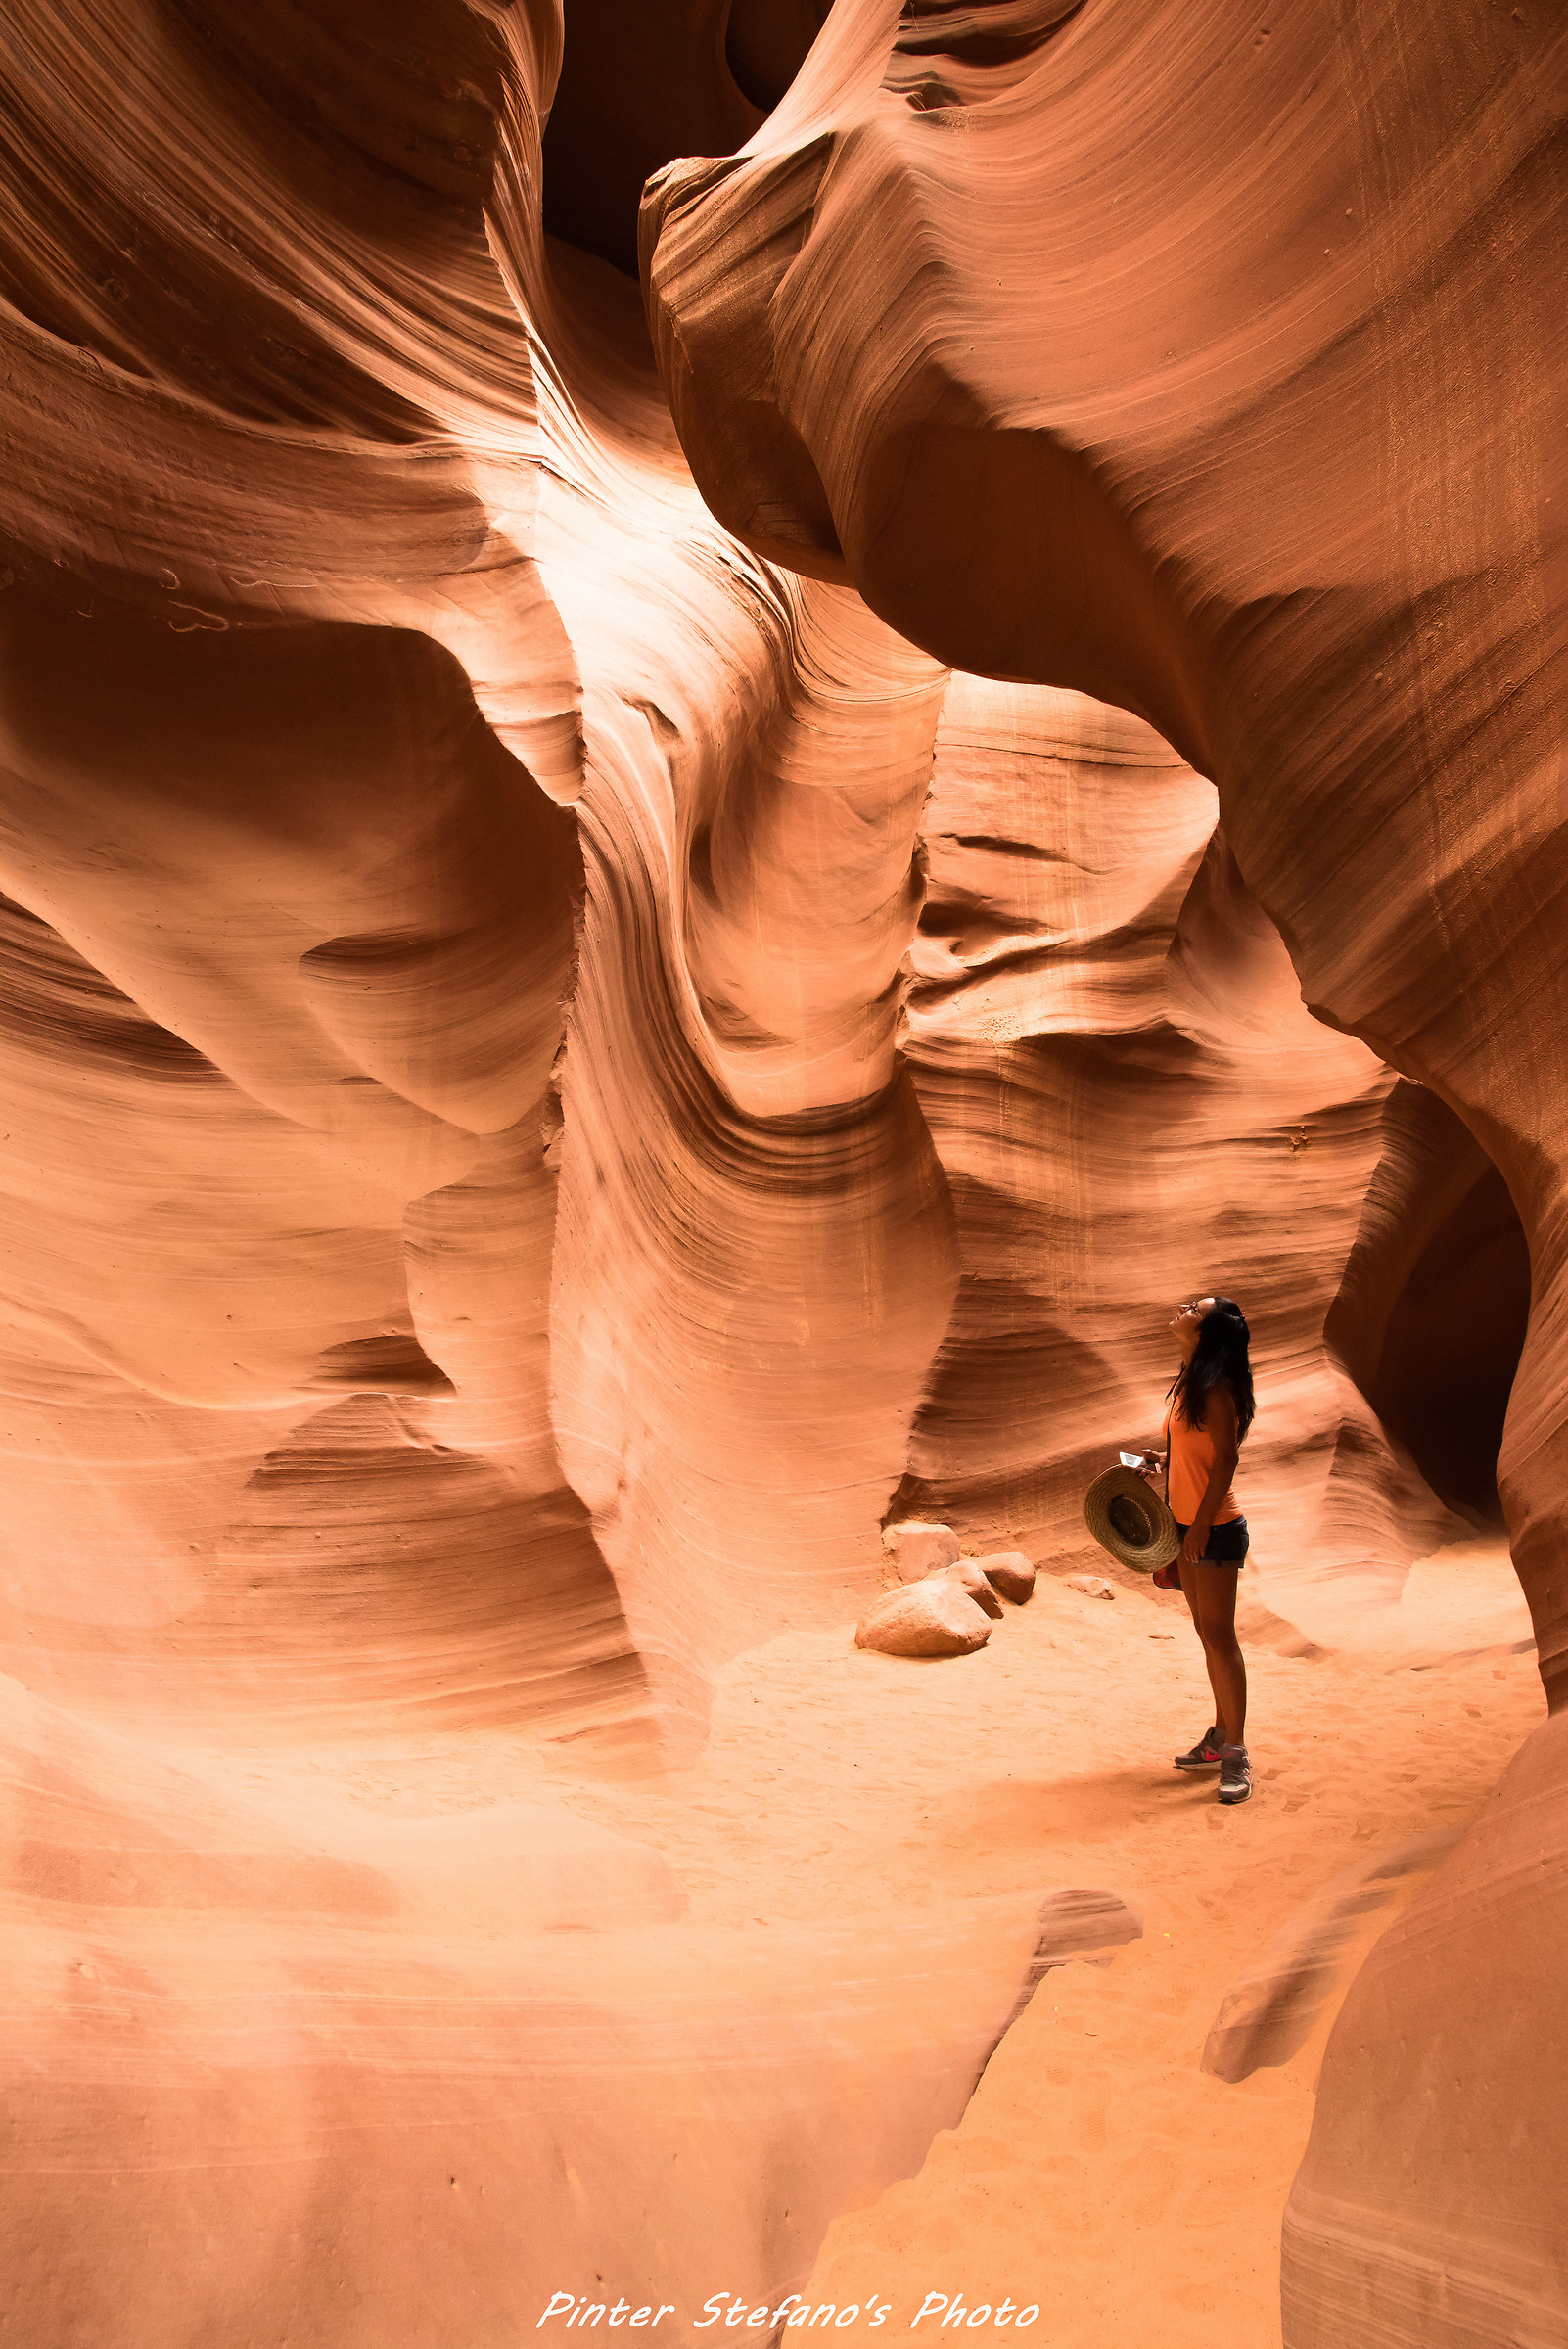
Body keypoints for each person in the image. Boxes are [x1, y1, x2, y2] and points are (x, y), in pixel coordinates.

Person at [1137, 1294, 1256, 1805]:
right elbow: (1200, 1452)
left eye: (1195, 1309)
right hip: (1191, 1525)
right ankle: (1218, 1735)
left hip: (1215, 1528)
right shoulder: (1188, 1384)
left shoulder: (1215, 1388)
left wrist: (1202, 1526)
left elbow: (1227, 1461)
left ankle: (1236, 1753)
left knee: (1221, 1639)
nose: (1183, 1309)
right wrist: (1163, 1460)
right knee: (1207, 1634)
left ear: (1205, 1332)